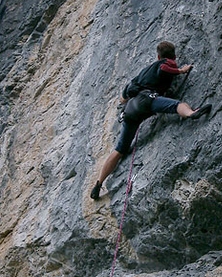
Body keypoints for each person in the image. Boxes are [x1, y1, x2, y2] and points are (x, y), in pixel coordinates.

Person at [90, 41, 212, 200]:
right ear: (172, 56)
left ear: (157, 54)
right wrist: (181, 70)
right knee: (176, 105)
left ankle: (98, 184)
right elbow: (164, 67)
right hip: (147, 100)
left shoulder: (141, 74)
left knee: (120, 149)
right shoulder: (164, 63)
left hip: (130, 110)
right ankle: (191, 113)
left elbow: (122, 97)